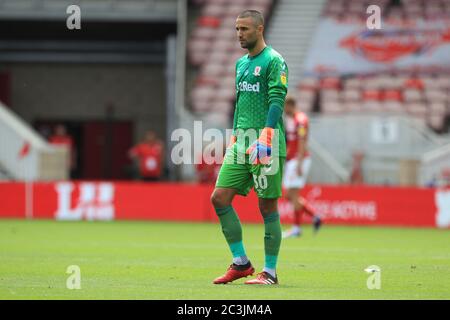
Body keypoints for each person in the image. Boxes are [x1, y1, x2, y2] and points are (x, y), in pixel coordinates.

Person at [210, 10, 288, 285]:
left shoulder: (274, 61)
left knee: (267, 206)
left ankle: (270, 272)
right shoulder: (240, 64)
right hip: (241, 144)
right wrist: (234, 135)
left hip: (267, 144)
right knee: (219, 198)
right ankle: (241, 263)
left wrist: (267, 134)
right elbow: (240, 102)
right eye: (236, 29)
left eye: (244, 29)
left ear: (259, 28)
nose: (239, 34)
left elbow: (278, 99)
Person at [281, 96, 322, 239]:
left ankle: (298, 228)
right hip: (293, 160)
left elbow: (302, 141)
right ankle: (314, 216)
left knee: (291, 195)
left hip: (299, 160)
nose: (283, 110)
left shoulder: (301, 120)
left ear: (290, 105)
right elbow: (292, 142)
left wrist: (299, 163)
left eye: (284, 107)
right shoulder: (291, 120)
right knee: (290, 195)